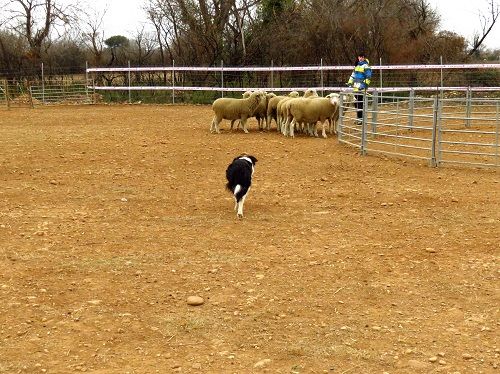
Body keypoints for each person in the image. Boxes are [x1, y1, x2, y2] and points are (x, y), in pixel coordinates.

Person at [347, 52, 372, 123]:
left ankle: (361, 119)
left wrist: (364, 85)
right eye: (359, 57)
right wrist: (349, 82)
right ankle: (359, 117)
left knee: (360, 103)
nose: (360, 58)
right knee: (356, 102)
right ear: (358, 57)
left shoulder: (366, 66)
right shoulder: (357, 66)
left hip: (361, 88)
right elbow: (353, 75)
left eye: (362, 57)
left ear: (364, 58)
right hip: (355, 87)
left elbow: (368, 77)